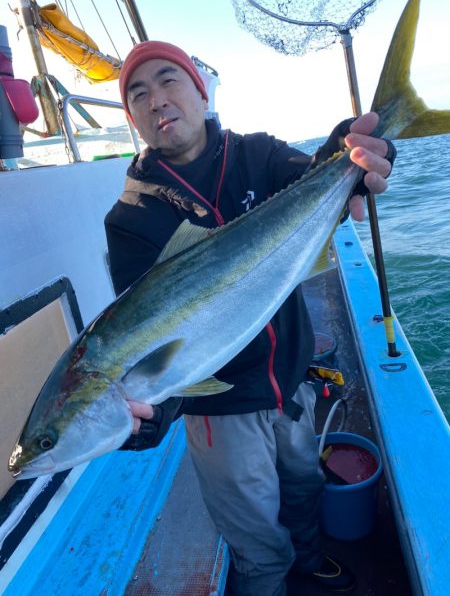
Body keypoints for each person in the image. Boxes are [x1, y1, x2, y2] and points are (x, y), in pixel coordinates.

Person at [104, 40, 395, 596]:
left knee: (306, 484)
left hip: (291, 377)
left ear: (200, 90)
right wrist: (149, 418)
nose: (156, 100)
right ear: (132, 118)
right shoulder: (131, 219)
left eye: (169, 80)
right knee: (255, 532)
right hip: (221, 408)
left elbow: (319, 174)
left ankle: (309, 563)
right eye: (137, 94)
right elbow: (151, 339)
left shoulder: (258, 154)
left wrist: (354, 157)